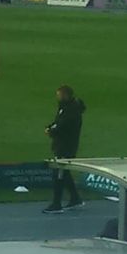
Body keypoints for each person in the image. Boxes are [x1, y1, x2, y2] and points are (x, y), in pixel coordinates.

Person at [44, 84, 87, 213]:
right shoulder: (66, 107)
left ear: (65, 95)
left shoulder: (71, 110)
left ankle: (56, 204)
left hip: (66, 147)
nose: (57, 97)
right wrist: (51, 127)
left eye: (59, 95)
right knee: (64, 173)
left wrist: (51, 131)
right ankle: (75, 198)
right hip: (63, 145)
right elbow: (58, 122)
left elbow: (64, 126)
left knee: (58, 174)